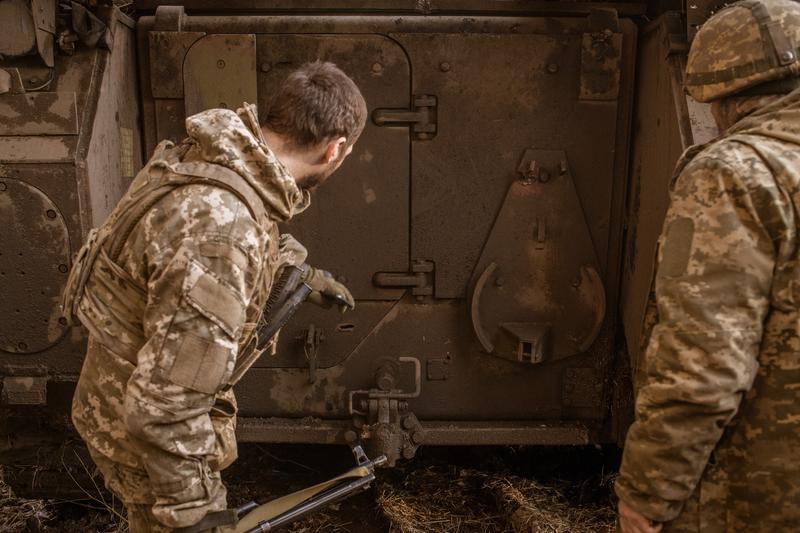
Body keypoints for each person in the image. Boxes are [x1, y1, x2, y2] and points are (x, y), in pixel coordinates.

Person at [65, 61, 368, 532]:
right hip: (147, 441)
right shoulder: (223, 231)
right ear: (336, 149)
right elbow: (165, 407)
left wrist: (296, 273)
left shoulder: (221, 155)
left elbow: (169, 250)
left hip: (127, 404)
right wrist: (192, 514)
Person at [615, 0, 800, 531]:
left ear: (719, 97)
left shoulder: (737, 172)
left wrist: (647, 495)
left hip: (760, 497)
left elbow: (702, 365)